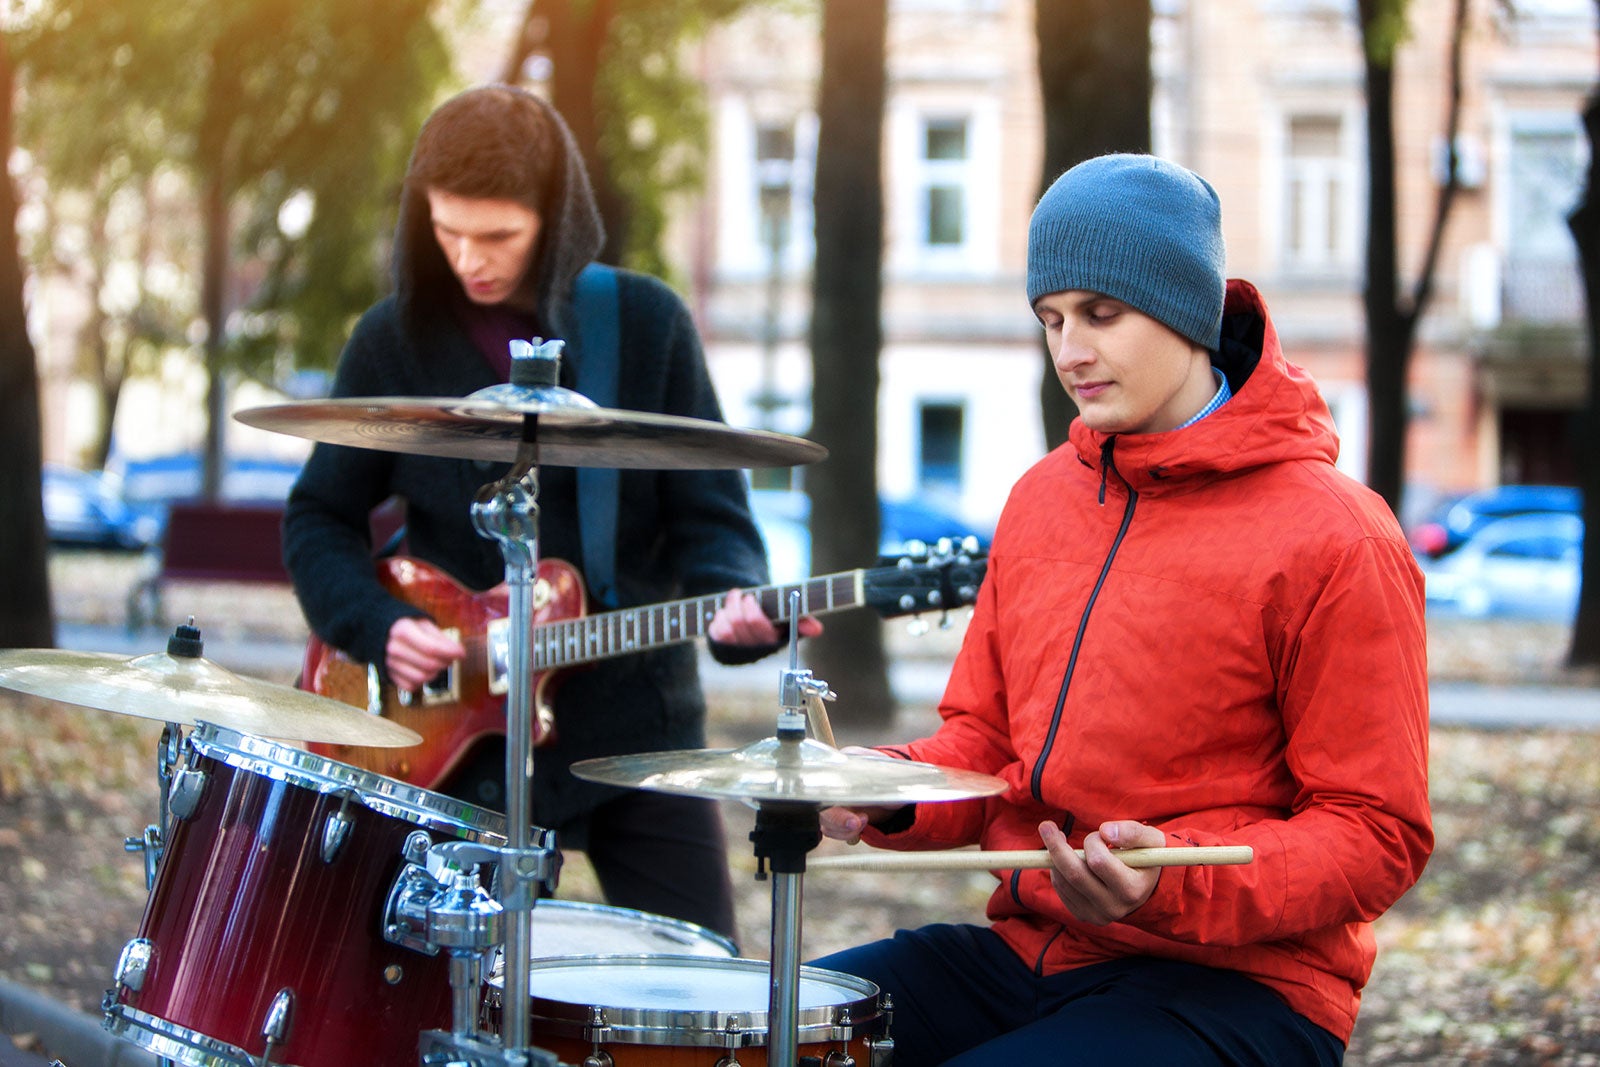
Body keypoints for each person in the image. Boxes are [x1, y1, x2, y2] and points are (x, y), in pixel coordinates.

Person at [812, 154, 1433, 1064]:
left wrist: (1170, 886)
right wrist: (885, 789)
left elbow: (1376, 831)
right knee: (778, 1027)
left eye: (1102, 313)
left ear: (1185, 306)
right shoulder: (1039, 500)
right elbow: (984, 750)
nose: (1071, 350)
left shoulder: (1339, 535)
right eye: (1051, 319)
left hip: (1245, 988)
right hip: (1032, 950)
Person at [283, 84, 816, 944]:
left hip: (638, 729)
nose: (469, 259)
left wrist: (736, 600)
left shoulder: (645, 325)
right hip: (457, 739)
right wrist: (374, 622)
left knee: (699, 985)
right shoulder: (392, 340)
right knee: (447, 998)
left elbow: (713, 519)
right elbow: (318, 518)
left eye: (497, 236)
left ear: (556, 218)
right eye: (447, 231)